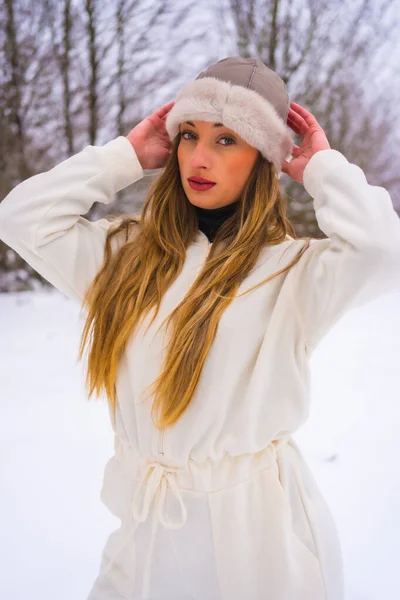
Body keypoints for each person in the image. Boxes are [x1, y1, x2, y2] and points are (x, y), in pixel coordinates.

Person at [1, 55, 399, 600]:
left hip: (257, 534)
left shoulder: (293, 273)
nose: (199, 157)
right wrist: (123, 157)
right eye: (189, 135)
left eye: (228, 139)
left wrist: (322, 171)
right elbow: (21, 218)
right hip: (146, 529)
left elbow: (384, 250)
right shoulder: (123, 257)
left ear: (264, 158)